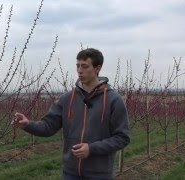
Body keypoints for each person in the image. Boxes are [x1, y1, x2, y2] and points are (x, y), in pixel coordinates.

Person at [13, 48, 130, 179]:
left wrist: (91, 148)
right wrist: (28, 124)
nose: (80, 70)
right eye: (78, 66)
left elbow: (122, 137)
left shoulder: (113, 100)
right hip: (71, 173)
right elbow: (48, 126)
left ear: (97, 69)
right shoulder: (67, 99)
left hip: (100, 175)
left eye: (85, 66)